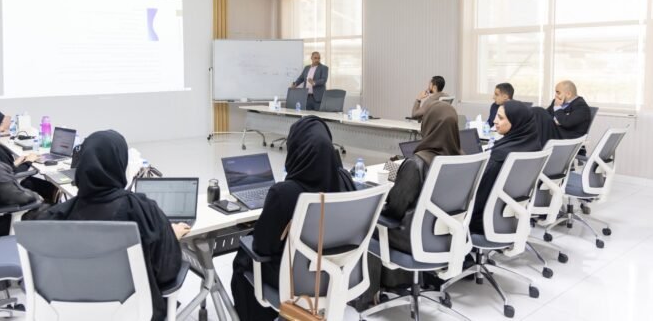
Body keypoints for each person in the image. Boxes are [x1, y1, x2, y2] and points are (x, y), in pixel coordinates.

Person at [37, 130, 187, 321]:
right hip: (135, 313)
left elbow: (42, 279)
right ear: (120, 164)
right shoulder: (143, 210)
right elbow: (166, 272)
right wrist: (170, 236)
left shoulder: (55, 218)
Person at [231, 116, 354, 321]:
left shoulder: (284, 193)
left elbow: (262, 247)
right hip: (337, 276)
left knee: (244, 259)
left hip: (295, 284)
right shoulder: (345, 181)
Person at [354, 102, 462, 308]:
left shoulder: (416, 163)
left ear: (428, 125)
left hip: (416, 239)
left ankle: (366, 296)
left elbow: (396, 209)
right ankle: (399, 282)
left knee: (367, 223)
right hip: (447, 237)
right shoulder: (462, 160)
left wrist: (378, 206)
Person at [470, 101, 541, 233]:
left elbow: (478, 198)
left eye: (501, 118)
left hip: (486, 222)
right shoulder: (534, 146)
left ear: (516, 122)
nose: (495, 121)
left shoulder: (500, 156)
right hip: (512, 217)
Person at [533, 80, 592, 146]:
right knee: (537, 112)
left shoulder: (581, 106)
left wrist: (557, 107)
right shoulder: (556, 102)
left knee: (539, 112)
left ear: (568, 94)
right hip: (555, 132)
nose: (556, 95)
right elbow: (546, 115)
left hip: (567, 137)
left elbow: (567, 123)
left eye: (558, 93)